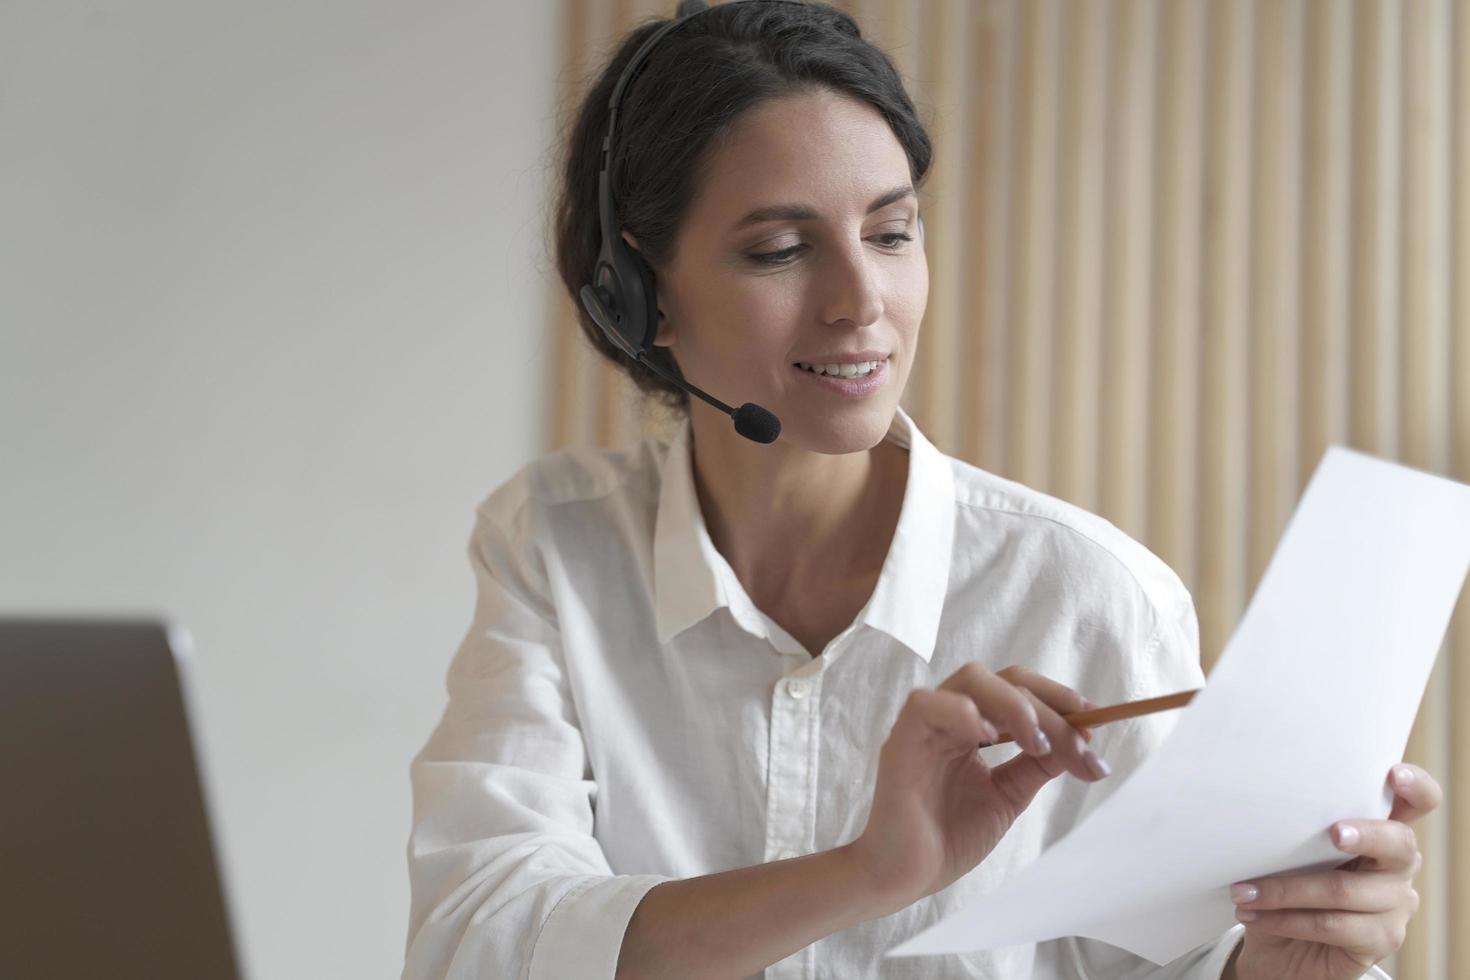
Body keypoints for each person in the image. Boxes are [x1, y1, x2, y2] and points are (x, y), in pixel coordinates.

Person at [401, 2, 1431, 978]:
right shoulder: (554, 540)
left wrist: (1279, 966)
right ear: (638, 294)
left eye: (891, 233)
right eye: (781, 250)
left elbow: (1180, 959)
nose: (861, 304)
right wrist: (870, 874)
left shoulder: (1088, 592)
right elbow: (481, 937)